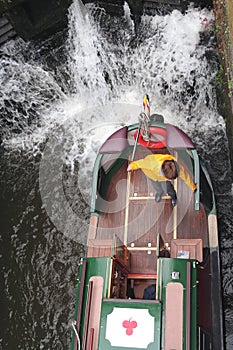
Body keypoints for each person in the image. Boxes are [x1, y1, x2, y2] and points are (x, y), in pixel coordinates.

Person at [127, 154, 196, 207]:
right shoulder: (151, 164)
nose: (171, 180)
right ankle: (159, 192)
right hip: (151, 176)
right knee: (156, 186)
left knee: (169, 189)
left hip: (161, 179)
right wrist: (132, 166)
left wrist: (193, 187)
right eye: (170, 178)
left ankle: (173, 197)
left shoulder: (179, 169)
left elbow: (186, 178)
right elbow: (139, 163)